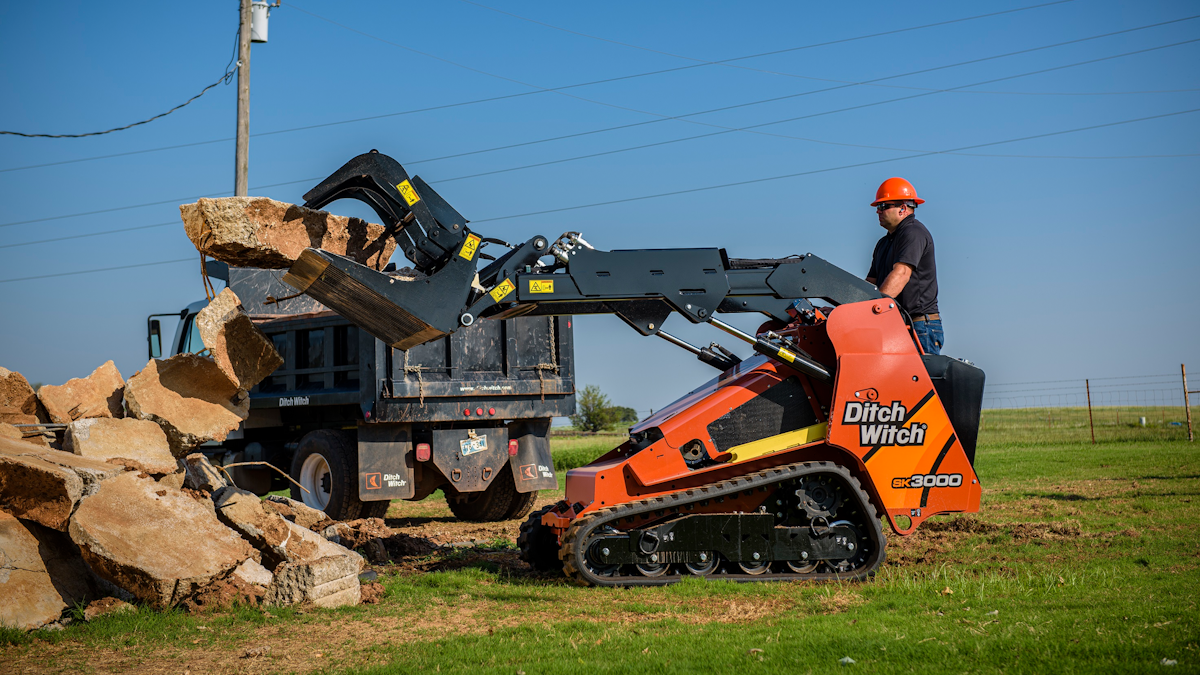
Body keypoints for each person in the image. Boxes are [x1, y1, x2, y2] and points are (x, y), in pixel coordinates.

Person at [865, 178, 943, 355]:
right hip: (899, 325)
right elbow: (870, 283)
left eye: (884, 206)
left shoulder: (913, 232)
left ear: (903, 208)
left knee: (919, 382)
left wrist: (871, 312)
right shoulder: (883, 243)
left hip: (920, 326)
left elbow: (901, 274)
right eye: (878, 207)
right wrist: (845, 307)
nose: (878, 211)